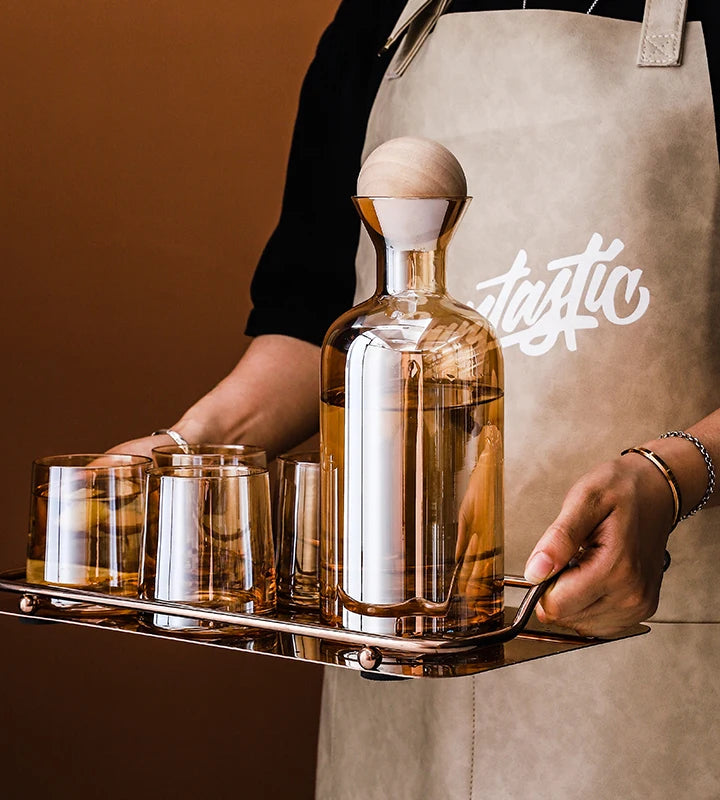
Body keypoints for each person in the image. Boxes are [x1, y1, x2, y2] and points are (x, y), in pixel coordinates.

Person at [112, 1, 719, 797]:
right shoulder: (377, 17)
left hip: (667, 657)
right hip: (391, 660)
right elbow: (312, 328)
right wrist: (190, 447)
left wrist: (667, 476)